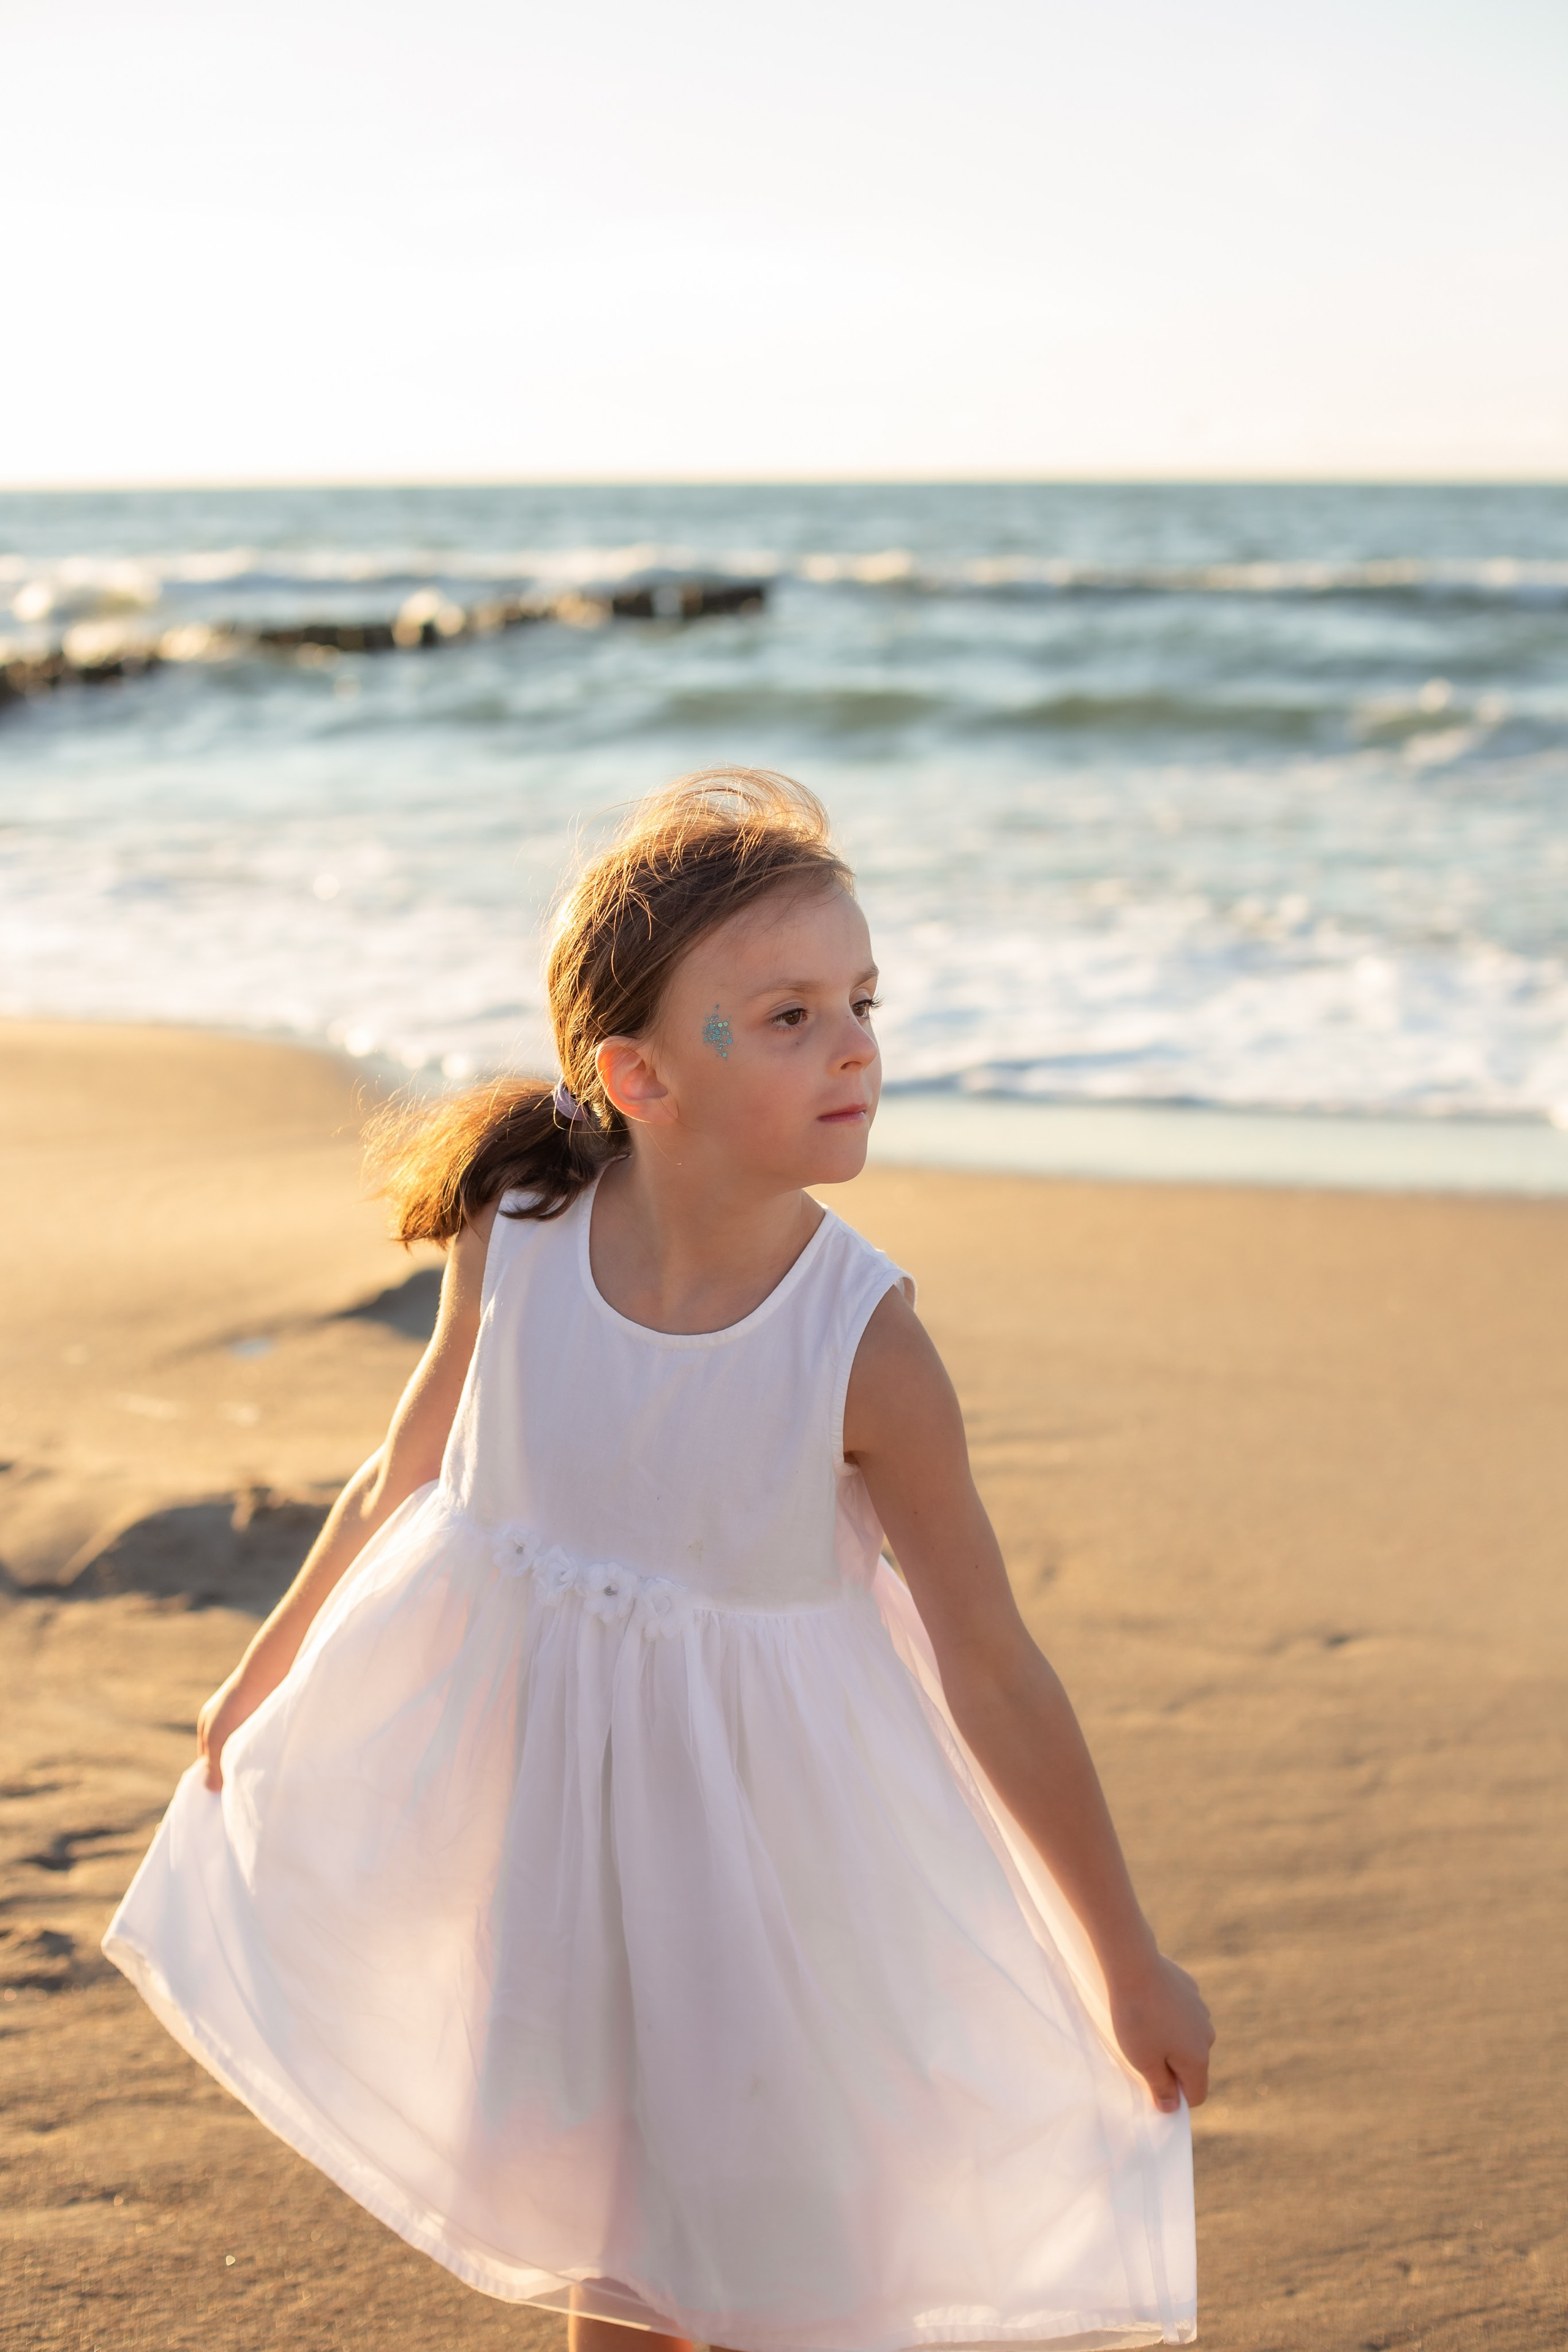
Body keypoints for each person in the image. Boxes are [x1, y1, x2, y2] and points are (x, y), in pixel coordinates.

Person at [105, 768, 1213, 2352]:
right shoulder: (525, 1223)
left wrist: (1125, 1957)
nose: (856, 1047)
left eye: (862, 1002)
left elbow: (991, 1658)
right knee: (617, 2240)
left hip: (772, 1860)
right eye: (784, 1017)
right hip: (550, 1826)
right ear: (636, 1073)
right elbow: (410, 1463)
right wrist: (262, 1671)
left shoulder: (864, 1346)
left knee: (774, 2245)